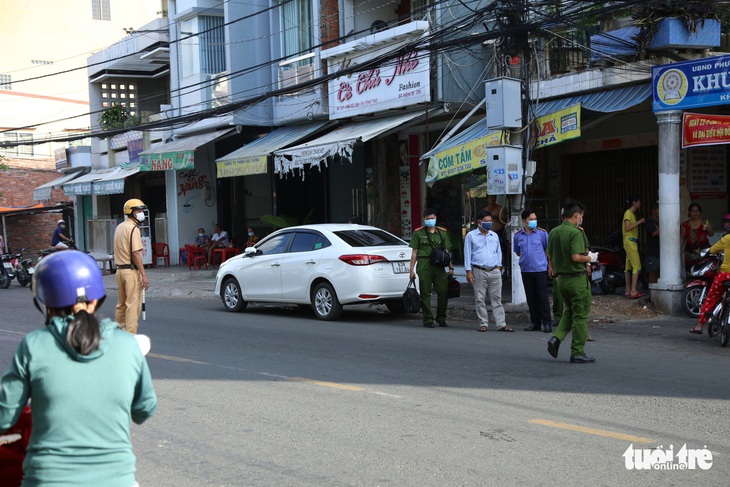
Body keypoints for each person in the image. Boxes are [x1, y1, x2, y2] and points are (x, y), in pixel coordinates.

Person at [0, 251, 157, 487]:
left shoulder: (34, 345)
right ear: (97, 300)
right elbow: (144, 410)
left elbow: (5, 415)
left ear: (44, 303)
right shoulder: (127, 345)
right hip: (117, 481)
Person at [546, 200, 597, 363]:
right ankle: (577, 352)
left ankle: (556, 338)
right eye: (580, 216)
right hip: (576, 280)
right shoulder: (576, 233)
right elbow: (576, 257)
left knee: (569, 312)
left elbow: (550, 255)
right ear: (576, 215)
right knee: (580, 316)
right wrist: (591, 258)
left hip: (561, 280)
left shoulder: (553, 232)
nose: (581, 219)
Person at [464, 210, 512, 332]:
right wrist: (468, 271)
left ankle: (501, 324)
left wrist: (499, 266)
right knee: (480, 298)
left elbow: (498, 251)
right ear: (478, 222)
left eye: (490, 221)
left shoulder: (494, 235)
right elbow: (467, 254)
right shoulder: (471, 236)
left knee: (497, 299)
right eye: (486, 221)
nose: (489, 223)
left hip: (494, 270)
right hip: (478, 270)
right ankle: (483, 323)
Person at [409, 208, 454, 328]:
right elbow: (414, 252)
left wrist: (451, 267)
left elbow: (446, 251)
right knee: (425, 292)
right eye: (428, 219)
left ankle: (441, 318)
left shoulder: (442, 232)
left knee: (443, 291)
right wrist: (411, 270)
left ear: (436, 219)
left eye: (432, 219)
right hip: (424, 264)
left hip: (439, 265)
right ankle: (428, 319)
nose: (430, 221)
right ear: (424, 219)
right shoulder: (418, 233)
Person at [113, 199, 150, 335]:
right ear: (131, 212)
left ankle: (118, 333)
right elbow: (136, 253)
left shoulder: (120, 227)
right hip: (130, 272)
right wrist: (144, 275)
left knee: (121, 305)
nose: (141, 214)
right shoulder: (133, 228)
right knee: (132, 306)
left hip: (119, 271)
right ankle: (130, 336)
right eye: (139, 211)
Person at [690, 213, 730, 334]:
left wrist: (709, 252)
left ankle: (700, 325)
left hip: (725, 274)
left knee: (712, 297)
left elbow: (713, 250)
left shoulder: (726, 239)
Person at [513, 209, 552, 333]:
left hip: (540, 270)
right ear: (524, 221)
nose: (534, 221)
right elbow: (518, 252)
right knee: (531, 298)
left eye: (535, 219)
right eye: (531, 219)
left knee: (542, 297)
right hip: (526, 270)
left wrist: (550, 267)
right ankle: (535, 322)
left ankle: (547, 323)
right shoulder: (518, 235)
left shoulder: (542, 234)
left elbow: (548, 251)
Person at [623, 195, 645, 299]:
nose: (640, 204)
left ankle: (628, 290)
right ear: (634, 203)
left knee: (628, 267)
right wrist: (639, 222)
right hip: (630, 241)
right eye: (639, 202)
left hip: (629, 242)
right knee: (637, 266)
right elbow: (627, 228)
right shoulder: (628, 213)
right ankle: (633, 290)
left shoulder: (630, 214)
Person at [681, 203, 713, 272]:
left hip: (703, 252)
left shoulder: (705, 222)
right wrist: (678, 250)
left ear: (700, 212)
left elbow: (711, 234)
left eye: (697, 211)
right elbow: (682, 238)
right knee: (690, 272)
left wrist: (708, 228)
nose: (695, 213)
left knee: (704, 271)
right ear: (689, 212)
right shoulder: (685, 224)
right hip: (689, 253)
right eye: (693, 211)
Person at [645, 203, 660, 284]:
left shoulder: (660, 221)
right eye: (659, 210)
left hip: (660, 252)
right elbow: (654, 233)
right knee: (652, 272)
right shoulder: (650, 222)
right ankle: (652, 291)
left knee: (658, 273)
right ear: (653, 211)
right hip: (652, 252)